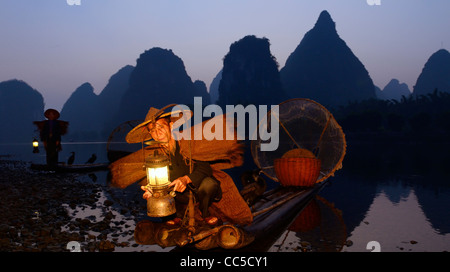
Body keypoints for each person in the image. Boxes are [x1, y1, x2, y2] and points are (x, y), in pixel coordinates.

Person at [125, 106, 222, 226]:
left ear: (171, 126)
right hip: (179, 195)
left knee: (210, 184)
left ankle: (205, 212)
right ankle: (175, 216)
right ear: (150, 134)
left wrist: (186, 179)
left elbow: (205, 168)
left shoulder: (188, 142)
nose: (157, 132)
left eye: (161, 127)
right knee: (157, 194)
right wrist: (152, 189)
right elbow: (155, 179)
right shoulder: (154, 155)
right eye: (153, 130)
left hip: (199, 190)